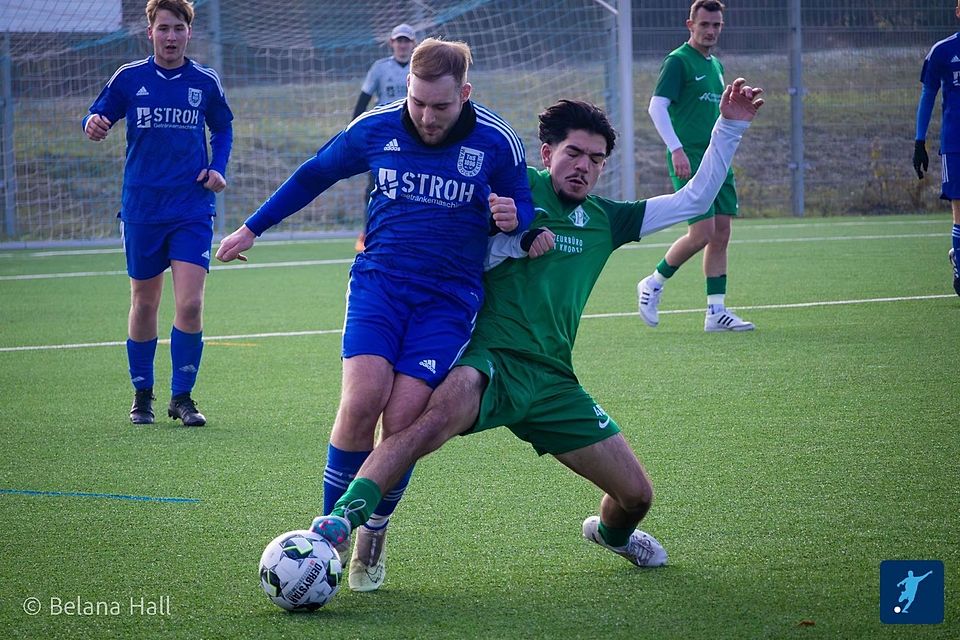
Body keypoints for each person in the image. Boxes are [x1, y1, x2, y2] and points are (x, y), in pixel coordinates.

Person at [308, 79, 764, 577]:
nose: (583, 166)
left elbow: (696, 200)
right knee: (422, 427)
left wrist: (730, 126)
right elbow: (447, 228)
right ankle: (344, 523)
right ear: (548, 153)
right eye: (574, 153)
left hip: (552, 382)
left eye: (596, 159)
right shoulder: (511, 186)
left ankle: (611, 535)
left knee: (637, 496)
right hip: (488, 362)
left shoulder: (608, 220)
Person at [216, 38, 534, 591]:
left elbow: (523, 205)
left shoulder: (496, 140)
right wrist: (252, 228)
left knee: (403, 419)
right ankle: (326, 540)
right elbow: (314, 174)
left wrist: (515, 217)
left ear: (465, 93)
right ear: (406, 89)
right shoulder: (376, 126)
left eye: (441, 105)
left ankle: (375, 528)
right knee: (363, 399)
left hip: (449, 299)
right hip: (380, 284)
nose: (427, 117)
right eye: (418, 102)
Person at [83, 0, 233, 427]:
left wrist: (218, 167)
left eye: (178, 28)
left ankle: (181, 397)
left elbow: (223, 126)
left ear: (189, 32)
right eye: (163, 28)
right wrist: (92, 123)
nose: (171, 36)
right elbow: (97, 115)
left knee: (191, 303)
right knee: (145, 303)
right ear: (149, 32)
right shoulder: (130, 78)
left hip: (191, 208)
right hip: (143, 209)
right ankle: (142, 394)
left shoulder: (204, 81)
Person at [637, 0, 754, 332]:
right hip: (690, 158)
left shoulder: (715, 65)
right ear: (690, 25)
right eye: (704, 24)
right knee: (702, 233)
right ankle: (653, 283)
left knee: (721, 233)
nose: (711, 31)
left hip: (719, 158)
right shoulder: (678, 61)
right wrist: (676, 149)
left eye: (716, 25)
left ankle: (716, 312)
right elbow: (656, 107)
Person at [351, 23, 418, 252]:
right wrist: (356, 132)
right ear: (392, 43)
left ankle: (409, 231)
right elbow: (362, 102)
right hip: (384, 137)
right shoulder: (380, 68)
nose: (402, 45)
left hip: (414, 136)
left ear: (413, 44)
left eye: (406, 41)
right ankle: (367, 232)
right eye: (399, 40)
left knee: (414, 183)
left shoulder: (420, 68)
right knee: (376, 184)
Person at [913, 0, 960, 298]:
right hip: (955, 145)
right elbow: (928, 94)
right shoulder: (942, 51)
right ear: (958, 12)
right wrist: (920, 142)